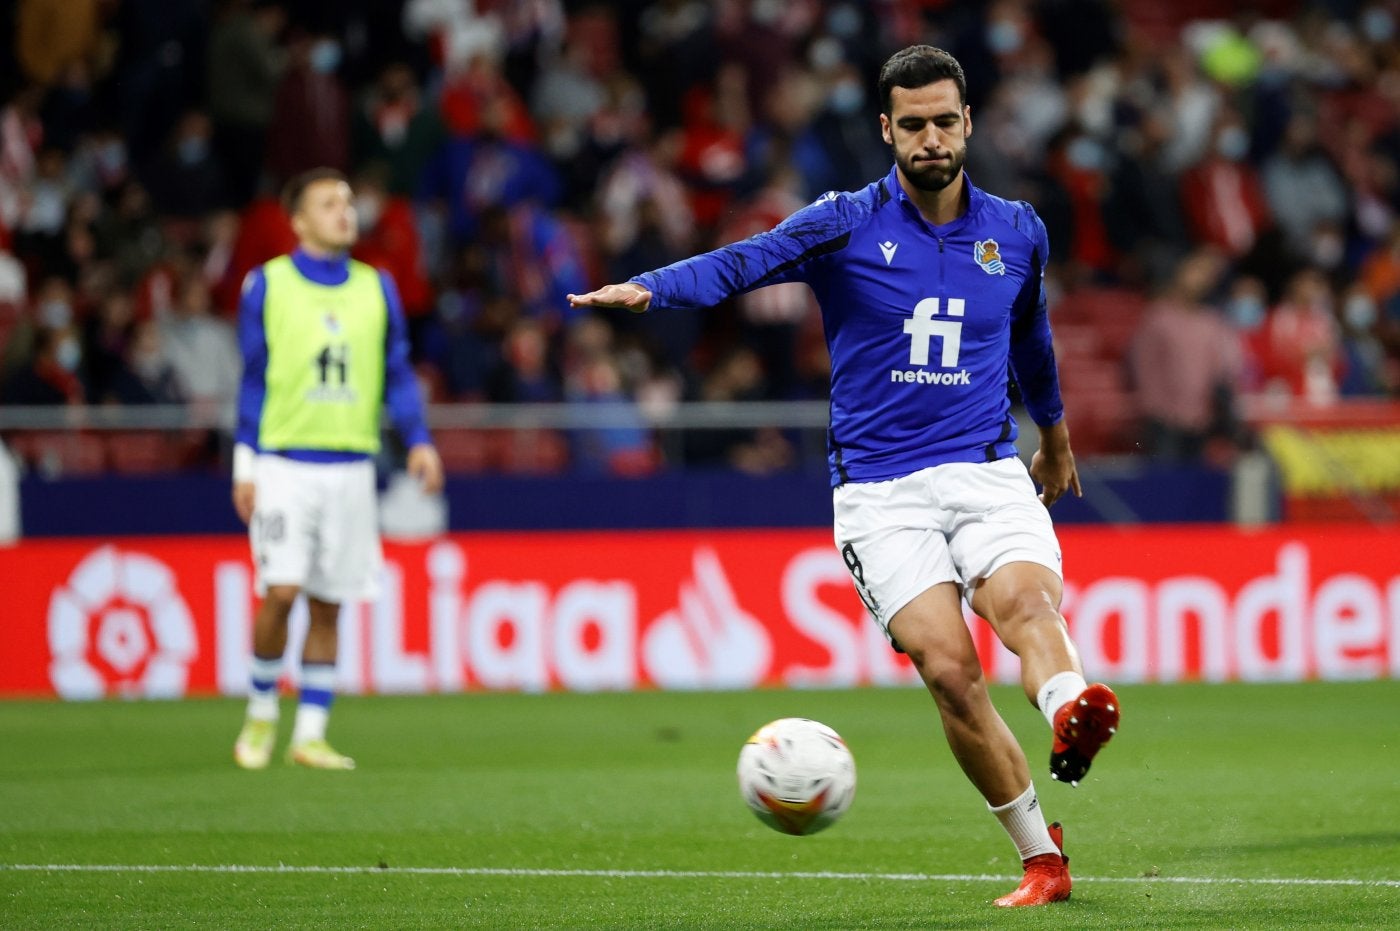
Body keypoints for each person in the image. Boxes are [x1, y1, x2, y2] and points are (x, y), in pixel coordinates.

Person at [569, 46, 1120, 909]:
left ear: (969, 123)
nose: (932, 138)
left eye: (945, 121)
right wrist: (649, 289)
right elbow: (744, 261)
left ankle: (1070, 713)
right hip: (879, 491)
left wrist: (1053, 436)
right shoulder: (844, 222)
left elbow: (1032, 337)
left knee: (1026, 604)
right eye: (914, 124)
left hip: (985, 469)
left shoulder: (1017, 230)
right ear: (886, 130)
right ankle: (1041, 858)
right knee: (950, 671)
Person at [231, 167, 443, 771]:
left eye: (347, 201)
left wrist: (419, 439)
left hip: (351, 466)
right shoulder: (267, 285)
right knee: (281, 592)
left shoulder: (377, 287)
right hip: (284, 463)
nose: (344, 211)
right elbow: (252, 379)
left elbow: (397, 372)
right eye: (328, 203)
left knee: (329, 604)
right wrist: (244, 464)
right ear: (298, 221)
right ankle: (262, 710)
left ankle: (311, 734)